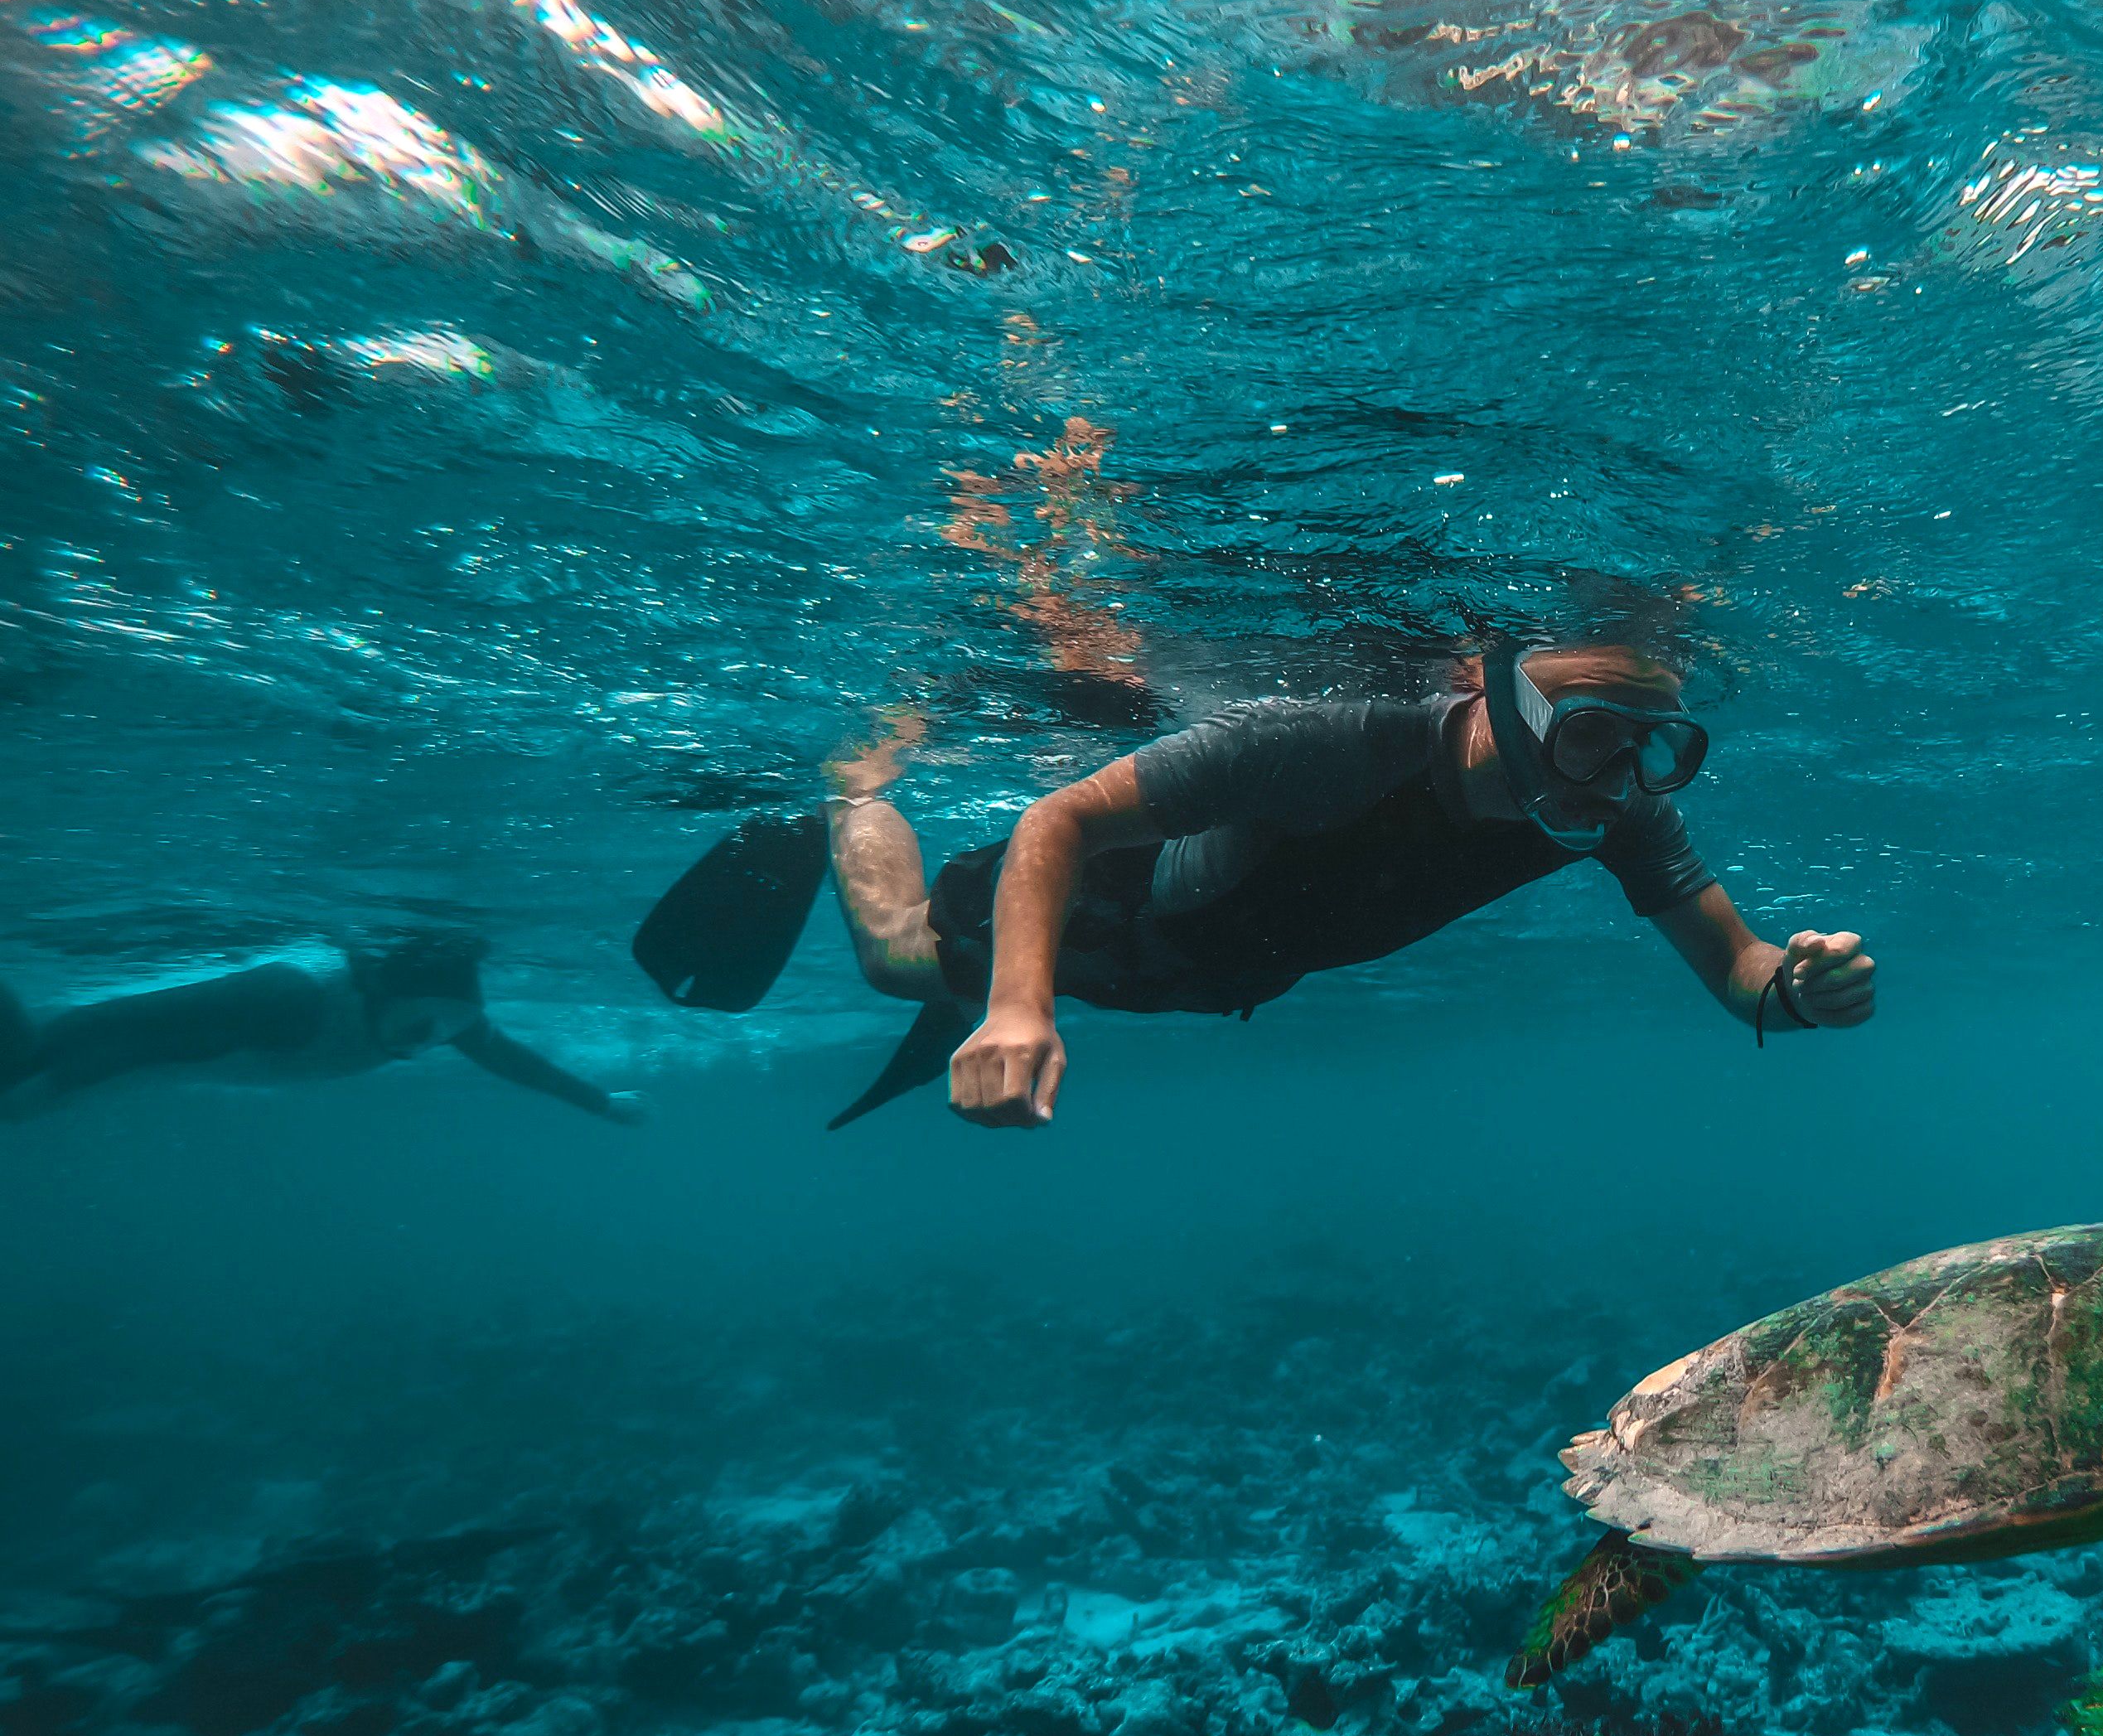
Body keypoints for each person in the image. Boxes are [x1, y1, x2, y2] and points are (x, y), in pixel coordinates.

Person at [641, 641, 1877, 1127]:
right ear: (1508, 704)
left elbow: (1737, 967)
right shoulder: (1330, 738)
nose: (1618, 782)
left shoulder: (1615, 812)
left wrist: (1797, 992)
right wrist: (1022, 1004)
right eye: (1596, 734)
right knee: (893, 955)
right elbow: (1058, 820)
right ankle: (855, 789)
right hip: (1118, 913)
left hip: (1231, 966)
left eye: (1656, 751)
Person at [0, 931, 645, 1124]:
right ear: (380, 992)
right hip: (143, 1039)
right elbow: (143, 1044)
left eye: (452, 1028)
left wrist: (601, 1103)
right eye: (424, 1023)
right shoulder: (294, 1005)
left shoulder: (440, 1012)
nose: (430, 1038)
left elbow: (516, 1062)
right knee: (22, 1079)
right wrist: (48, 1089)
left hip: (170, 1054)